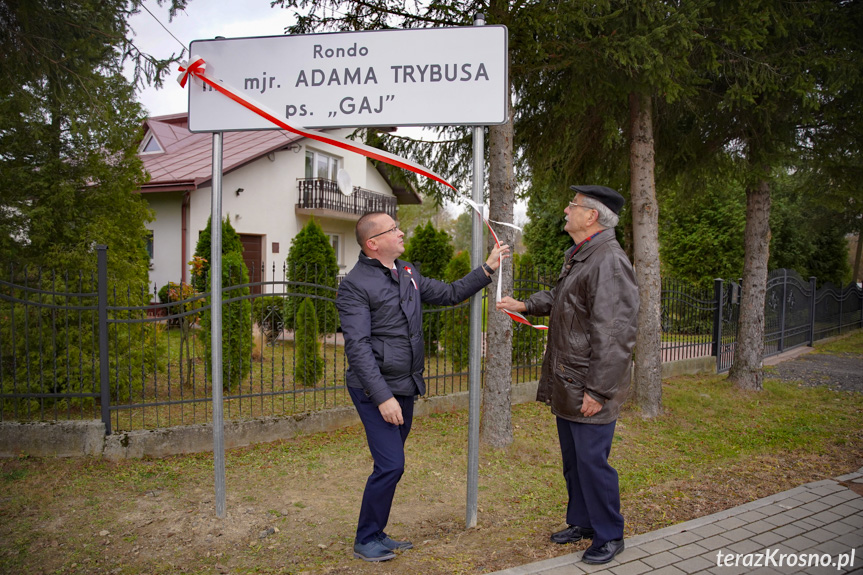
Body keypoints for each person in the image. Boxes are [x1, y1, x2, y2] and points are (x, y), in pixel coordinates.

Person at [337, 211, 510, 562]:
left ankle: (376, 532)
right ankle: (366, 539)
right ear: (373, 243)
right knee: (391, 465)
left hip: (405, 385)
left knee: (391, 465)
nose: (401, 233)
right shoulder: (355, 284)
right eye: (393, 229)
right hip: (375, 390)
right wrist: (383, 397)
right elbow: (357, 348)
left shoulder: (407, 273)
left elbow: (448, 293)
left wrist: (487, 269)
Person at [497, 185, 638, 565]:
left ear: (591, 216)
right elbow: (565, 300)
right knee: (574, 461)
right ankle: (583, 522)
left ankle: (609, 534)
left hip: (588, 384)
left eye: (573, 205)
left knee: (593, 462)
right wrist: (525, 303)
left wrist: (599, 390)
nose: (566, 209)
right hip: (569, 379)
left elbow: (616, 333)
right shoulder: (582, 255)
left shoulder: (608, 260)